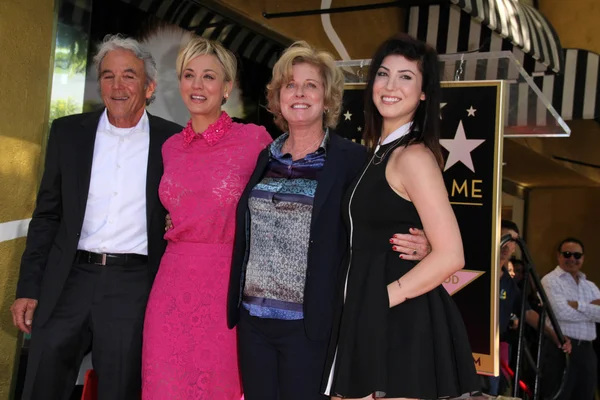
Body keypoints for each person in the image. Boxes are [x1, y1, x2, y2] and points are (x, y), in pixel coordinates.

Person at [226, 41, 431, 400]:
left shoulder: (353, 160)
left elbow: (379, 216)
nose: (300, 93)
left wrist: (424, 241)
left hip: (312, 324)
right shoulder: (265, 157)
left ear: (328, 97)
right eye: (290, 84)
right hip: (253, 322)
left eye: (311, 85)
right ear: (277, 97)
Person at [10, 34, 182, 400]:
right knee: (42, 380)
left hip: (133, 287)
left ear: (149, 87)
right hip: (68, 279)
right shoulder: (68, 133)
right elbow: (47, 216)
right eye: (108, 76)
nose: (117, 86)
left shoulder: (174, 143)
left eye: (129, 76)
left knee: (120, 389)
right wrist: (28, 287)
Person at [322, 33, 480, 400]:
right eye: (383, 74)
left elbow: (451, 254)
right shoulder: (377, 153)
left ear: (424, 92)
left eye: (406, 77)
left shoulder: (413, 157)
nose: (390, 86)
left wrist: (381, 299)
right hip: (370, 312)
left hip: (401, 318)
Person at [140, 37, 273, 399]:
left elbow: (284, 204)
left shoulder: (254, 140)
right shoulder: (170, 146)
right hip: (170, 284)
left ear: (227, 87)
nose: (197, 85)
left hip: (225, 287)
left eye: (209, 77)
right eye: (189, 75)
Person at [541, 237, 599, 400]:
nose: (572, 259)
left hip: (587, 352)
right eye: (567, 254)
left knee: (585, 396)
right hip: (561, 348)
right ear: (558, 256)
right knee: (558, 396)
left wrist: (577, 305)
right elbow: (560, 312)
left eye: (577, 255)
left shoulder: (590, 285)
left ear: (583, 258)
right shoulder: (550, 280)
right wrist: (591, 307)